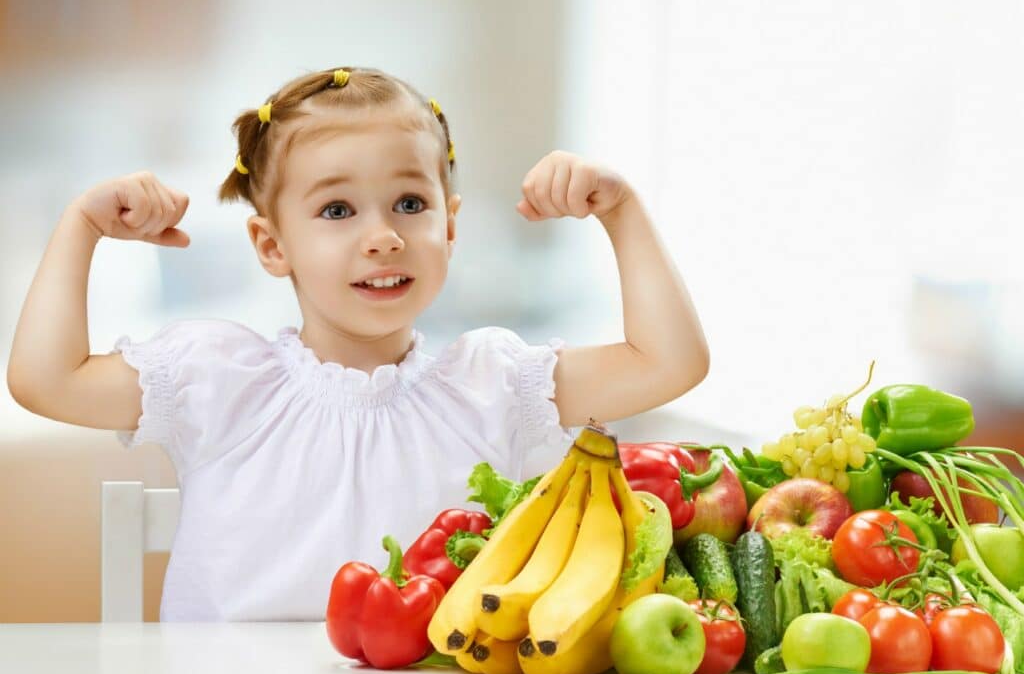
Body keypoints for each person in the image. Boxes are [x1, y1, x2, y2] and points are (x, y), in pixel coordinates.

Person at [7, 66, 709, 622]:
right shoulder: (216, 378)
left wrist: (622, 211)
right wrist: (82, 227)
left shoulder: (493, 384)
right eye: (337, 210)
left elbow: (670, 362)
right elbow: (46, 380)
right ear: (272, 244)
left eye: (410, 203)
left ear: (451, 226)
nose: (383, 235)